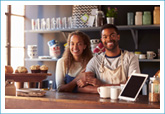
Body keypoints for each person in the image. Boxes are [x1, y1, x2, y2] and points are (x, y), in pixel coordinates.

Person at [77, 24, 140, 93]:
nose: (109, 39)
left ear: (118, 37)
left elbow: (134, 86)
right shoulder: (95, 60)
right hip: (101, 102)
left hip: (124, 102)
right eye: (105, 37)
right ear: (102, 40)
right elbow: (81, 87)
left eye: (112, 35)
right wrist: (121, 86)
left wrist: (102, 85)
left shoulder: (131, 58)